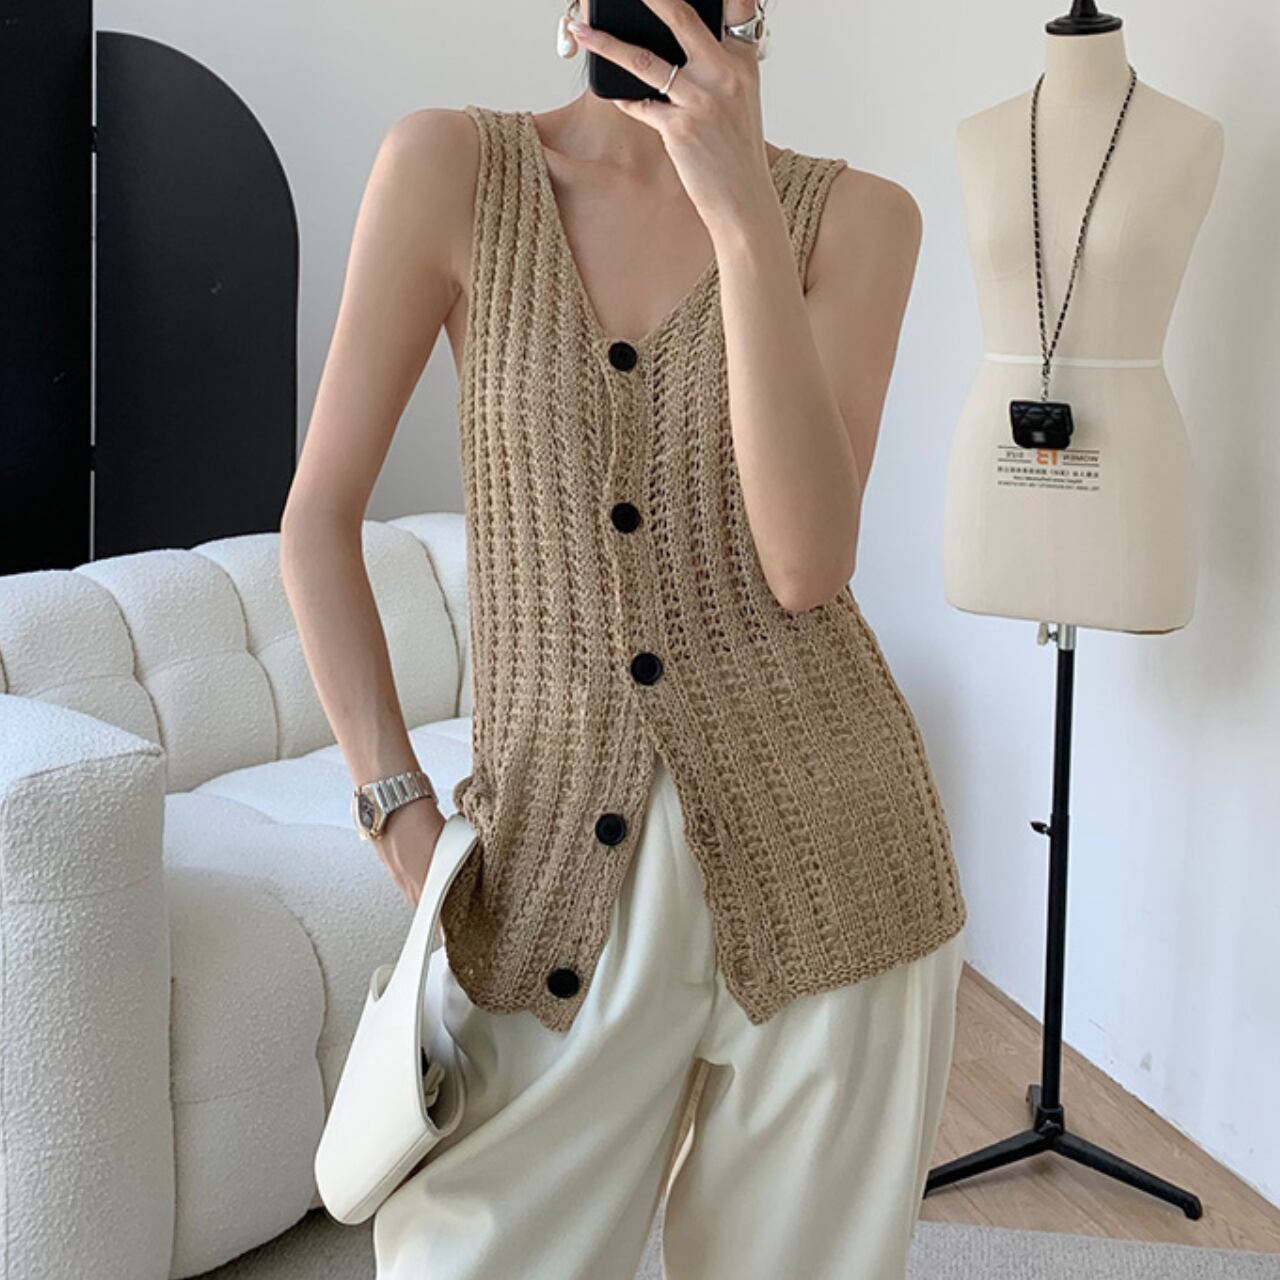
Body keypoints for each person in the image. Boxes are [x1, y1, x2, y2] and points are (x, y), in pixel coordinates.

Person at [281, 1, 968, 1276]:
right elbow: (317, 522)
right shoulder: (451, 166)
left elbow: (806, 561)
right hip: (546, 876)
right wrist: (399, 817)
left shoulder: (860, 217)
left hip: (835, 869)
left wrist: (742, 216)